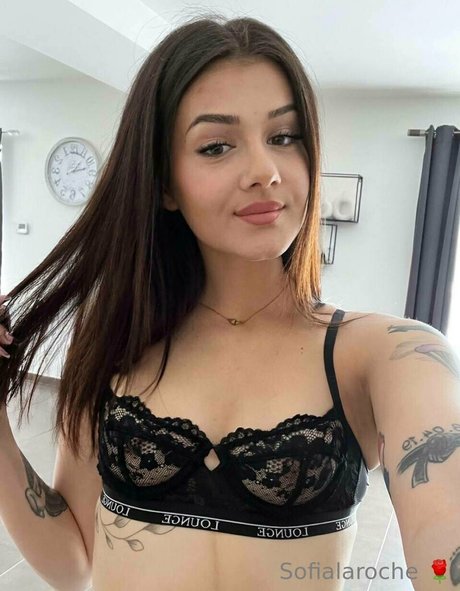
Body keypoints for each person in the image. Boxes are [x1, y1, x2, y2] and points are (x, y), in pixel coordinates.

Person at [0, 12, 459, 591]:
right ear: (165, 183)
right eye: (216, 146)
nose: (265, 171)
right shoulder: (118, 335)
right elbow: (73, 564)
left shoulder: (392, 356)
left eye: (284, 137)